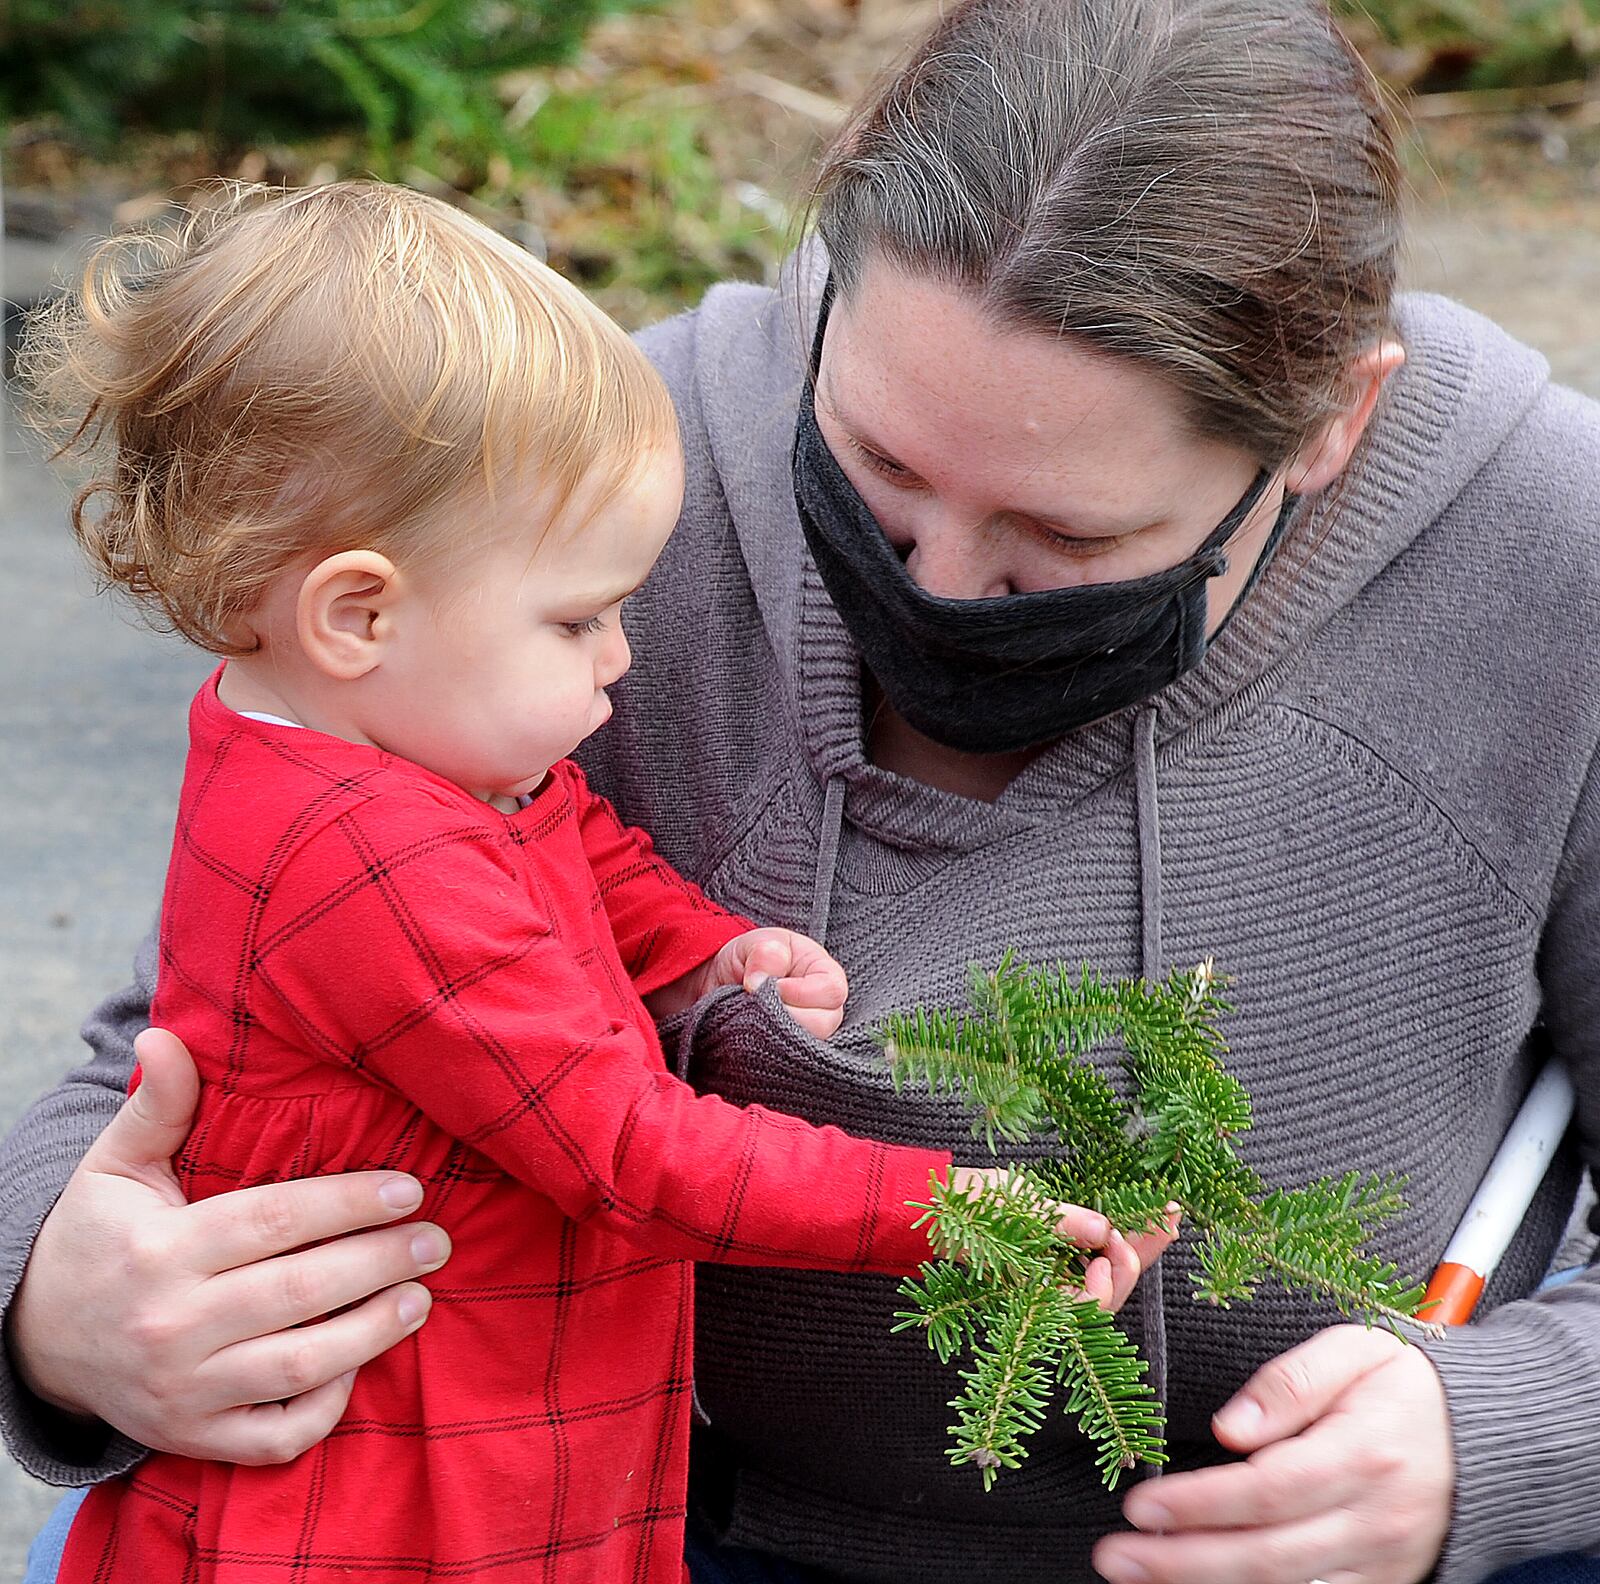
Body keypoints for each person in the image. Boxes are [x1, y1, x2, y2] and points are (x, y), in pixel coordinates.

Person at [5, 0, 1600, 1578]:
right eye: (880, 472)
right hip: (621, 1515)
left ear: (1335, 423)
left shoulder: (1550, 553)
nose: (945, 590)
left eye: (1067, 540)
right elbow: (177, 1051)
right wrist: (57, 1298)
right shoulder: (584, 486)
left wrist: (1507, 1434)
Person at [11, 181, 1162, 1584]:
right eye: (578, 618)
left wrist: (703, 949)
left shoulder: (364, 742)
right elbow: (637, 1153)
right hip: (386, 1509)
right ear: (356, 611)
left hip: (501, 1444)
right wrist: (951, 1209)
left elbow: (568, 840)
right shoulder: (371, 865)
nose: (621, 658)